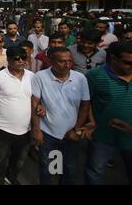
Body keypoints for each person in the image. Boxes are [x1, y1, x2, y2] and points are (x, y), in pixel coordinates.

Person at [32, 47, 91, 185]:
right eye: (62, 61)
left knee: (70, 167)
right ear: (51, 61)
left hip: (71, 134)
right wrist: (37, 129)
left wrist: (76, 129)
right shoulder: (40, 77)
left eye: (69, 61)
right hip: (48, 133)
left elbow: (85, 105)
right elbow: (34, 103)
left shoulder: (80, 78)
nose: (67, 65)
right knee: (49, 167)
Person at [85, 41, 132, 184]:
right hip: (103, 137)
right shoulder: (94, 76)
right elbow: (86, 102)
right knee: (95, 172)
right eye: (127, 62)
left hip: (130, 138)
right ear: (113, 58)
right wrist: (91, 122)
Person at [0, 47, 34, 185]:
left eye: (23, 58)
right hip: (3, 127)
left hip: (25, 128)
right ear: (8, 60)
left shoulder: (32, 76)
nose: (20, 61)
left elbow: (35, 99)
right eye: (16, 58)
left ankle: (11, 176)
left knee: (19, 158)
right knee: (1, 156)